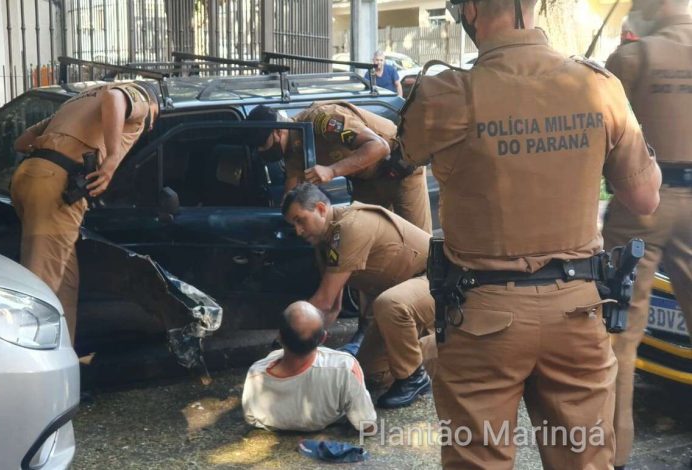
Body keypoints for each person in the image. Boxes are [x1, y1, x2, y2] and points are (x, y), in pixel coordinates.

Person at [399, 0, 661, 466]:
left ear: (473, 10)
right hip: (579, 312)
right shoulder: (599, 85)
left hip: (483, 319)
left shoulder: (446, 92)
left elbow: (403, 155)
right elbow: (645, 198)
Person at [602, 1, 692, 468]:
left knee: (619, 335)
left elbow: (605, 133)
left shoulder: (633, 58)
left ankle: (613, 456)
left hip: (643, 202)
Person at [11, 80, 160, 343]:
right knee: (43, 286)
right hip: (53, 187)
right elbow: (114, 98)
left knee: (65, 281)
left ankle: (64, 355)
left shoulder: (76, 101)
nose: (150, 126)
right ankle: (31, 363)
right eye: (154, 119)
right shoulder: (138, 97)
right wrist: (112, 158)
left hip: (27, 177)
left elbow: (22, 143)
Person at [282, 183, 436, 409]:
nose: (298, 230)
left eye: (300, 220)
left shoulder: (350, 226)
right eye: (293, 224)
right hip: (408, 299)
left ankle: (415, 376)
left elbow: (322, 301)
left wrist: (288, 344)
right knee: (372, 374)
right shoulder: (327, 241)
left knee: (388, 303)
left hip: (438, 282)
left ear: (321, 209)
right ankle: (447, 346)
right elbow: (333, 305)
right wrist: (309, 354)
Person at [246, 103, 432, 234]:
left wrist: (332, 171)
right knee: (364, 241)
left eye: (263, 144)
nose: (262, 150)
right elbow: (292, 192)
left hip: (399, 170)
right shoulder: (293, 150)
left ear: (278, 130)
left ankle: (425, 288)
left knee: (417, 243)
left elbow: (379, 146)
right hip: (366, 182)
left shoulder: (322, 120)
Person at [241, 301, 377, 432]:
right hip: (335, 365)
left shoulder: (256, 373)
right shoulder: (345, 368)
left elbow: (251, 417)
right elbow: (367, 426)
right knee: (353, 349)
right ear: (323, 338)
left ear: (279, 337)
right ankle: (359, 340)